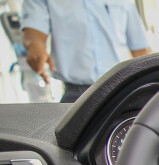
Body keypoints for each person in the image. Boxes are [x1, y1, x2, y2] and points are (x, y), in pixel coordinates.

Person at [20, 0, 151, 103]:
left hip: (123, 90)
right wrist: (36, 47)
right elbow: (34, 33)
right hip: (76, 96)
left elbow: (140, 50)